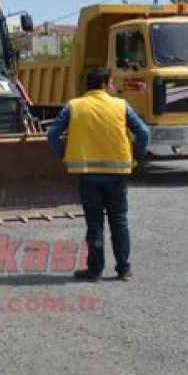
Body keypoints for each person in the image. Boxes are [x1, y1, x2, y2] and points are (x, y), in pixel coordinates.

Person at [47, 67, 150, 281]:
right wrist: (137, 156)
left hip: (88, 174)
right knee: (119, 221)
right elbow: (143, 132)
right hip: (117, 173)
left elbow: (52, 133)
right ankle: (123, 268)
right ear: (104, 85)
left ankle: (95, 270)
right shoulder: (121, 106)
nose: (113, 87)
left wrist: (64, 153)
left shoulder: (74, 107)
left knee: (94, 223)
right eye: (111, 83)